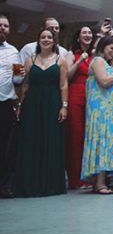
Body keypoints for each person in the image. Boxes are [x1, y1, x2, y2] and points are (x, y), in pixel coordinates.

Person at [13, 28, 68, 197]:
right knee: (31, 141)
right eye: (42, 37)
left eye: (49, 37)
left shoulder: (60, 61)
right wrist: (20, 105)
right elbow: (25, 85)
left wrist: (64, 106)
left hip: (52, 103)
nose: (45, 39)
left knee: (50, 140)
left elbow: (63, 85)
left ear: (54, 40)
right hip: (32, 104)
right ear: (38, 40)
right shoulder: (30, 60)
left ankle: (50, 184)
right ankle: (30, 185)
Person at [81, 34, 113, 195]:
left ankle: (101, 181)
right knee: (101, 142)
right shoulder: (98, 61)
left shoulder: (109, 64)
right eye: (111, 48)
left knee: (105, 143)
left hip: (111, 112)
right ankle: (100, 183)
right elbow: (104, 81)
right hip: (101, 112)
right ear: (103, 47)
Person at [64, 25, 96, 189]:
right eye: (84, 32)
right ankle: (76, 179)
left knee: (88, 137)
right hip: (76, 96)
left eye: (89, 32)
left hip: (91, 98)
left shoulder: (95, 55)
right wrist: (80, 60)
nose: (87, 34)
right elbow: (67, 75)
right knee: (76, 137)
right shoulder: (72, 54)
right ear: (78, 37)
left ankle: (88, 176)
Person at [0, 15, 23, 198]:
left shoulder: (13, 52)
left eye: (5, 26)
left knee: (5, 147)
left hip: (5, 104)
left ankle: (4, 185)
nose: (2, 28)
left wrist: (20, 74)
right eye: (0, 25)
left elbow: (17, 79)